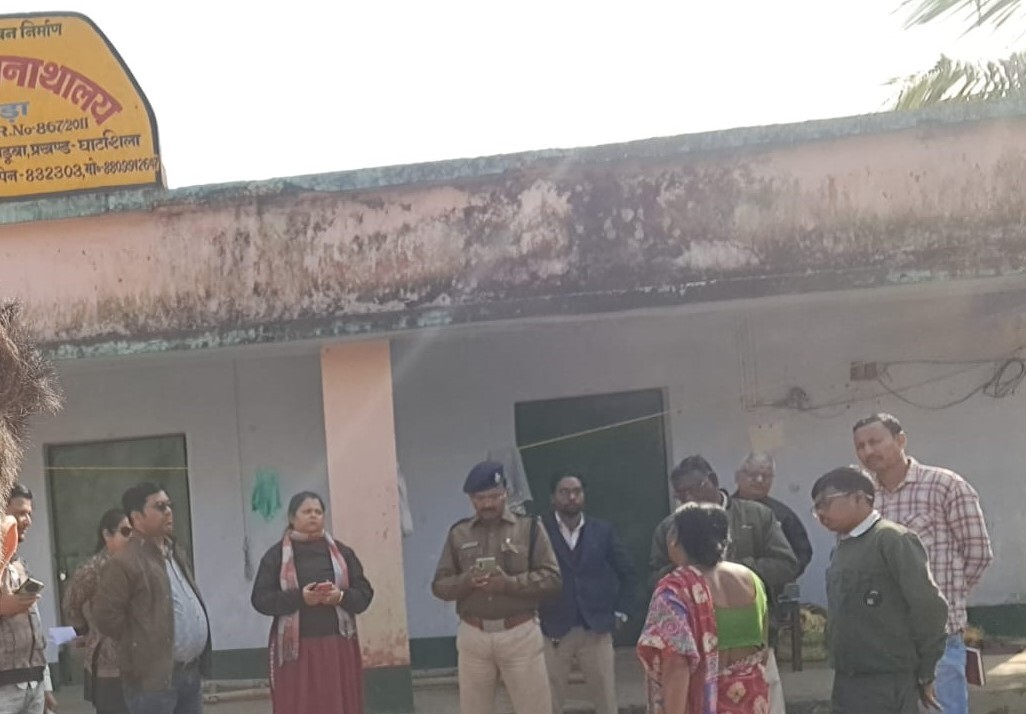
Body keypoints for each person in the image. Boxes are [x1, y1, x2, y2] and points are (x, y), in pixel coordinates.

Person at [853, 413, 992, 714]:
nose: (868, 451)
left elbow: (978, 553)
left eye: (875, 441)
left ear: (901, 440)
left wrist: (943, 601)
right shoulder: (861, 498)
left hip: (936, 639)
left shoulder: (944, 485)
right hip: (883, 642)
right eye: (860, 446)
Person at [650, 456, 796, 711]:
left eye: (695, 488)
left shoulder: (756, 515)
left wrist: (724, 570)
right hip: (738, 683)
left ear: (714, 481)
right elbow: (654, 575)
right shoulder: (670, 528)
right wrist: (695, 568)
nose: (689, 498)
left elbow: (786, 564)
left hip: (727, 672)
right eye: (681, 494)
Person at [811, 465, 948, 714]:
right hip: (848, 677)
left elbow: (929, 607)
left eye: (826, 503)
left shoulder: (891, 539)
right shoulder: (843, 547)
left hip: (888, 678)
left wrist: (926, 669)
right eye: (816, 508)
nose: (820, 513)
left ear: (859, 498)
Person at [431, 460, 562, 714]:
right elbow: (440, 586)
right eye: (480, 498)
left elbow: (552, 578)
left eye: (494, 496)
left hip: (519, 633)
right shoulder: (459, 533)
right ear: (471, 499)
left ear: (505, 493)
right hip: (473, 636)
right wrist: (467, 581)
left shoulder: (529, 528)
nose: (487, 504)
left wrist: (508, 584)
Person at [638, 501, 770, 714]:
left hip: (702, 704)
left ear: (676, 539)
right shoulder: (752, 579)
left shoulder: (674, 589)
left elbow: (677, 665)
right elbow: (763, 647)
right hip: (751, 700)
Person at [250, 491, 373, 714]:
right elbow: (260, 600)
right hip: (295, 653)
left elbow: (364, 595)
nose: (313, 516)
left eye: (318, 511)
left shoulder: (343, 553)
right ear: (292, 517)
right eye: (307, 511)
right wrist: (300, 598)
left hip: (337, 647)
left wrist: (340, 597)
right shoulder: (276, 556)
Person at [94, 483, 211, 714]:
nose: (168, 512)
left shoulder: (174, 552)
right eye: (159, 506)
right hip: (153, 681)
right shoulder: (124, 562)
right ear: (136, 517)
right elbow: (106, 618)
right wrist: (142, 644)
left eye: (169, 505)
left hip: (189, 673)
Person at [538, 472, 635, 714]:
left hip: (596, 628)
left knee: (606, 699)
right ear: (552, 497)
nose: (571, 497)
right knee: (548, 700)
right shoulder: (539, 531)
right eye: (564, 492)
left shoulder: (603, 531)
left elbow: (628, 572)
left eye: (577, 491)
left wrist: (621, 612)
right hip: (552, 627)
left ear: (584, 495)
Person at [63, 508, 133, 714]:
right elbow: (71, 605)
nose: (131, 538)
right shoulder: (92, 571)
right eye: (125, 532)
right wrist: (87, 630)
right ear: (107, 535)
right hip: (109, 665)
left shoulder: (138, 566)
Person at [0, 483, 56, 714]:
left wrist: (46, 685)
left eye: (29, 514)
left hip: (34, 685)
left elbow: (36, 628)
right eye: (20, 513)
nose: (28, 521)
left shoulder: (19, 565)